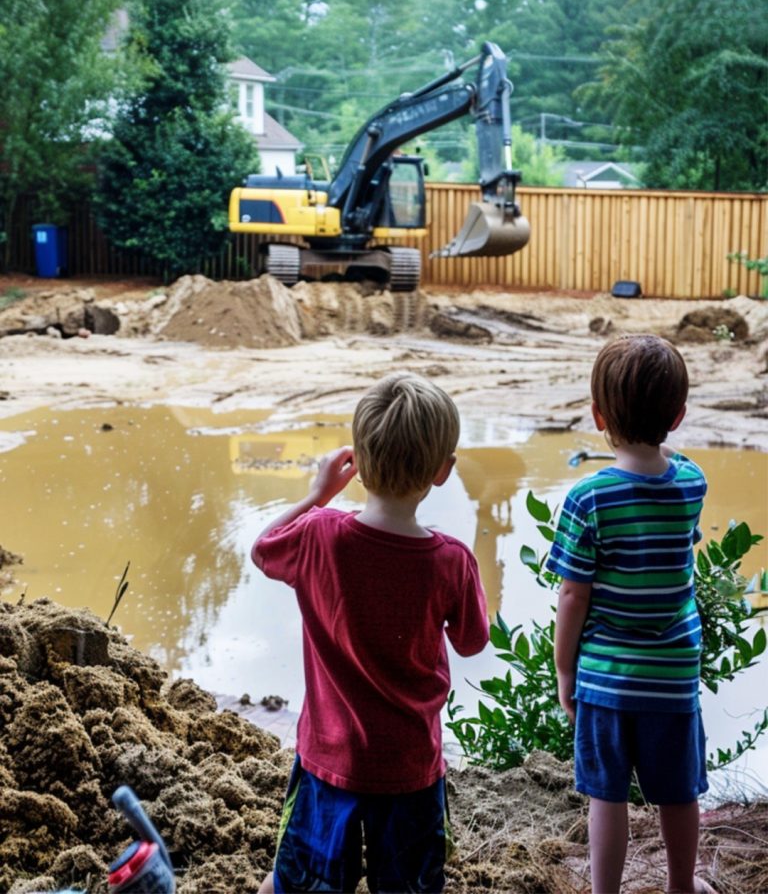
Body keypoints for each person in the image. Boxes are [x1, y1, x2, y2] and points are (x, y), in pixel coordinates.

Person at [251, 372, 489, 894]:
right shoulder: (451, 560)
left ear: (356, 463)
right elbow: (473, 641)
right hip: (411, 768)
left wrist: (318, 494)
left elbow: (265, 548)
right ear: (443, 471)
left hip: (327, 761)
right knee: (408, 885)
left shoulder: (319, 534)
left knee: (296, 882)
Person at [547, 334, 716, 894]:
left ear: (598, 416)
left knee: (607, 795)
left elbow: (573, 595)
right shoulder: (691, 482)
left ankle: (605, 892)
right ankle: (681, 885)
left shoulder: (589, 499)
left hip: (607, 679)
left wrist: (565, 671)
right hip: (672, 677)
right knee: (678, 791)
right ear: (679, 414)